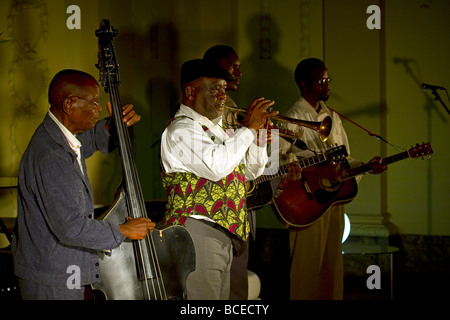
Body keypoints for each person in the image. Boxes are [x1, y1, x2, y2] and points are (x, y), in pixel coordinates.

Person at [11, 69, 155, 300]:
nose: (98, 110)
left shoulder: (58, 136)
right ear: (69, 105)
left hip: (61, 269)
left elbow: (82, 146)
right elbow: (69, 227)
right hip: (52, 276)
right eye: (95, 103)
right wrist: (122, 230)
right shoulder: (50, 155)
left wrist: (111, 127)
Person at [160, 59, 278, 300]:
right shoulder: (181, 129)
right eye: (215, 88)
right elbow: (217, 167)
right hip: (196, 232)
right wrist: (247, 130)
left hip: (223, 234)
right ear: (190, 92)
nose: (223, 95)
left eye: (225, 88)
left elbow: (249, 173)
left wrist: (258, 139)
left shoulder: (218, 131)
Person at [280, 58, 387, 300]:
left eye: (328, 80)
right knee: (306, 269)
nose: (327, 85)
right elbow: (279, 161)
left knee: (331, 266)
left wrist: (365, 166)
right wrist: (320, 171)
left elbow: (344, 158)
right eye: (321, 81)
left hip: (332, 200)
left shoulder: (332, 118)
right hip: (306, 202)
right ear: (304, 84)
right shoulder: (292, 118)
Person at [203, 45, 249, 300]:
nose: (239, 72)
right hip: (215, 211)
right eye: (233, 67)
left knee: (237, 277)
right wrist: (250, 131)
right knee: (223, 284)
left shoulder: (234, 109)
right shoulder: (202, 117)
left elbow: (251, 166)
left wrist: (266, 143)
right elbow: (219, 164)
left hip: (241, 201)